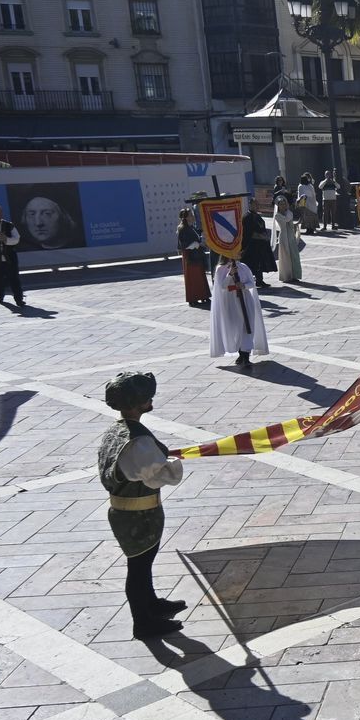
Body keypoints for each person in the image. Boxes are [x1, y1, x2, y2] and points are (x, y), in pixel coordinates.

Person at [98, 372, 188, 641]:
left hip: (128, 510)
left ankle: (151, 604)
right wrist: (173, 464)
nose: (151, 400)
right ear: (138, 402)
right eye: (147, 397)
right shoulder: (138, 441)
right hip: (139, 513)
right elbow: (160, 474)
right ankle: (143, 621)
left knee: (142, 564)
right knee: (138, 567)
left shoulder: (117, 430)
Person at [210, 256, 268, 369]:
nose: (239, 253)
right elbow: (221, 286)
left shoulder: (244, 267)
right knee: (236, 328)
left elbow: (251, 283)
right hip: (231, 303)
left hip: (246, 301)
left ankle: (245, 356)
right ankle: (241, 354)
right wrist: (230, 274)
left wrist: (244, 285)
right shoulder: (220, 269)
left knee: (247, 327)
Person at [176, 208, 210, 308]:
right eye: (191, 215)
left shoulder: (192, 227)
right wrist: (195, 244)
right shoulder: (182, 229)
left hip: (197, 253)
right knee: (193, 277)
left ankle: (204, 296)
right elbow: (182, 245)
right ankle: (193, 298)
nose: (193, 216)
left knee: (201, 275)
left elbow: (197, 238)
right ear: (186, 217)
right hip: (189, 255)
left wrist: (201, 240)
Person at [240, 198, 276, 288]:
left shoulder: (257, 215)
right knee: (252, 264)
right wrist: (260, 236)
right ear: (250, 205)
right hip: (252, 246)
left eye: (258, 204)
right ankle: (250, 281)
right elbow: (248, 232)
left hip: (260, 245)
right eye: (255, 204)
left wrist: (265, 236)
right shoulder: (247, 217)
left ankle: (260, 280)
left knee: (259, 263)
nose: (257, 206)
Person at [273, 194, 303, 284]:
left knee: (294, 255)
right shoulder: (277, 215)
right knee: (285, 256)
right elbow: (286, 219)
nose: (283, 205)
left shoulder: (289, 212)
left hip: (290, 236)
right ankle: (286, 276)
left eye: (284, 203)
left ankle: (295, 275)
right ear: (278, 206)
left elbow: (289, 218)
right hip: (283, 236)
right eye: (281, 204)